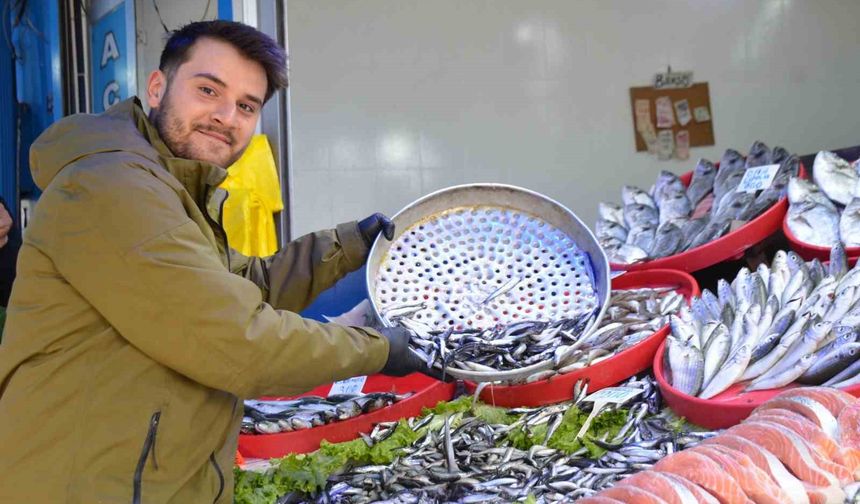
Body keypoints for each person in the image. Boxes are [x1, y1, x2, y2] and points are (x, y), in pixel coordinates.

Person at [0, 20, 428, 502]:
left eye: (247, 106)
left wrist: (346, 245)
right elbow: (237, 341)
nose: (226, 116)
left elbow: (241, 286)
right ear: (158, 88)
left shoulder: (169, 184)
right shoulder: (114, 187)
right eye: (208, 90)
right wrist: (378, 349)